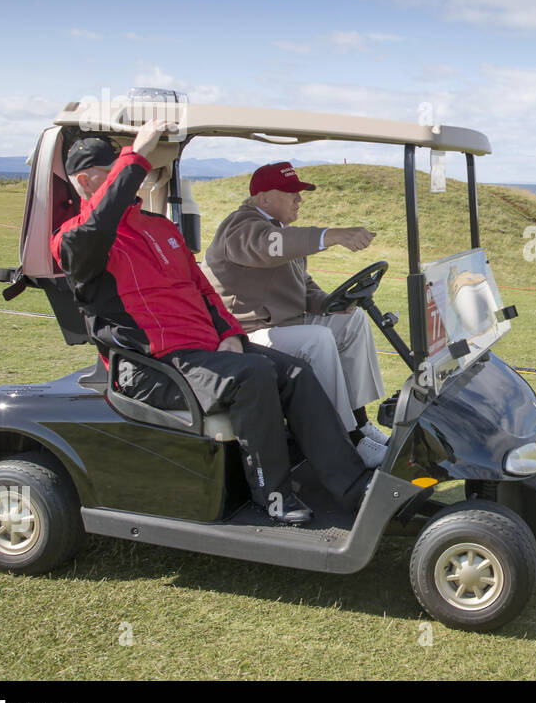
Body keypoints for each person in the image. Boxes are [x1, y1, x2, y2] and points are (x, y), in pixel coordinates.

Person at [51, 122, 369, 526]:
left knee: (295, 371)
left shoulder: (159, 228)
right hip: (152, 365)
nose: (127, 176)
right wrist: (137, 154)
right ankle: (272, 494)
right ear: (84, 181)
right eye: (112, 170)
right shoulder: (74, 241)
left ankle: (353, 485)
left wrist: (231, 334)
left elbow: (203, 291)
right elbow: (100, 222)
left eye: (123, 167)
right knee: (254, 375)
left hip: (202, 353)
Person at [200, 161, 388, 466]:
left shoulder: (279, 232)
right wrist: (332, 235)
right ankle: (344, 440)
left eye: (299, 193)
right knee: (317, 339)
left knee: (351, 321)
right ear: (263, 199)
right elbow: (267, 247)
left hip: (283, 326)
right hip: (243, 334)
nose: (298, 199)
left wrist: (331, 304)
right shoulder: (241, 227)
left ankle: (359, 420)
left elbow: (304, 287)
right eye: (290, 193)